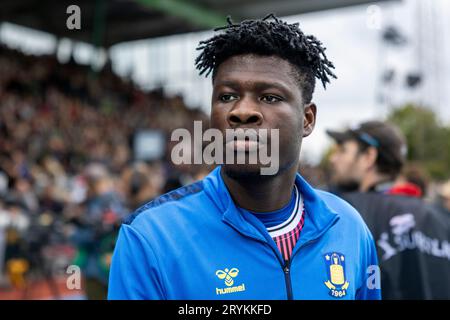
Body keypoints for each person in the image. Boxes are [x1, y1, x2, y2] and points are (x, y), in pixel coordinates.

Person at [108, 14, 381, 300]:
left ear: (307, 119)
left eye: (270, 97)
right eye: (226, 96)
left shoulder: (349, 228)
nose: (241, 111)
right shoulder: (151, 237)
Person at [327, 121, 450, 299]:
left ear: (369, 156)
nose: (333, 158)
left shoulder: (347, 212)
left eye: (342, 150)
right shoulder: (441, 216)